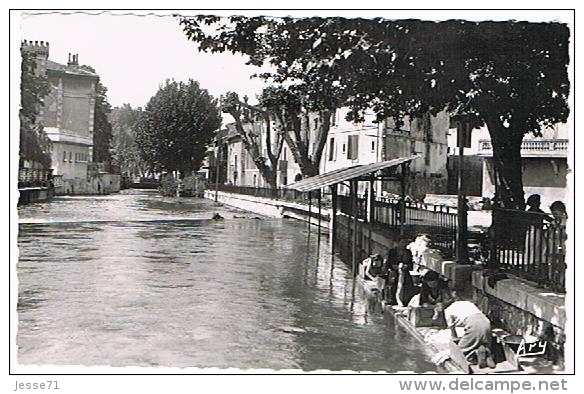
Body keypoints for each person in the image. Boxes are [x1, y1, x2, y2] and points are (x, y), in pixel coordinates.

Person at [435, 300, 495, 368]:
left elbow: (452, 330)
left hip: (473, 324)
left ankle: (476, 354)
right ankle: (487, 352)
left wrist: (456, 341)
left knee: (460, 351)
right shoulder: (466, 303)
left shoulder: (447, 311)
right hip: (486, 322)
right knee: (480, 339)